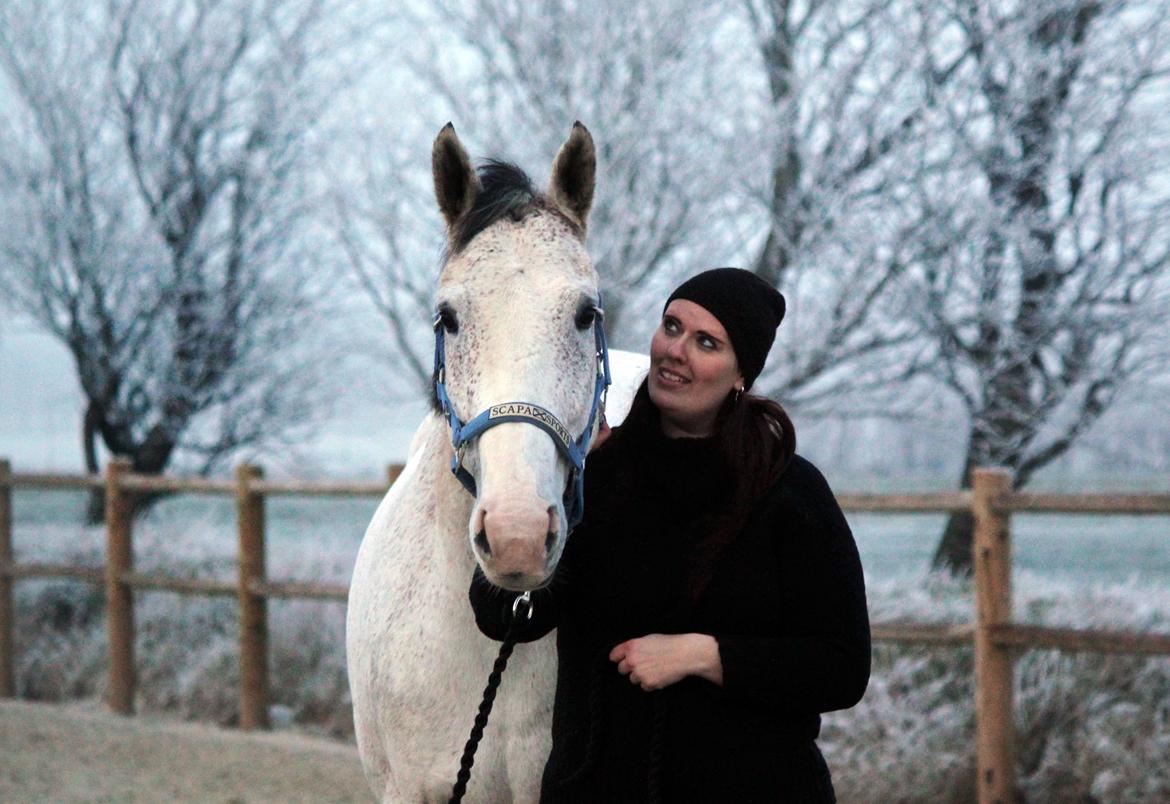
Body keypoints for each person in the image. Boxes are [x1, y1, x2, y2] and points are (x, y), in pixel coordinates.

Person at [469, 267, 870, 803]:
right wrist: (558, 491)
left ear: (741, 375)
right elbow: (505, 619)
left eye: (706, 342)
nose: (675, 351)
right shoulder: (598, 476)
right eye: (672, 326)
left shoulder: (789, 492)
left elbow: (842, 667)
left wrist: (702, 655)